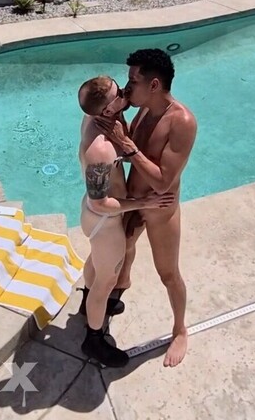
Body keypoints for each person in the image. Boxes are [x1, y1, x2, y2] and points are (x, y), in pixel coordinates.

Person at [95, 48, 197, 368]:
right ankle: (123, 283)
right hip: (136, 203)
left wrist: (128, 146)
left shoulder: (181, 122)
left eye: (132, 82)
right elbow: (130, 148)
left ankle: (180, 330)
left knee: (168, 274)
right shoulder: (144, 111)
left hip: (159, 210)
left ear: (153, 85)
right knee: (124, 247)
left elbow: (163, 182)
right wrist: (118, 110)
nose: (127, 88)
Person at [76, 75, 175, 368]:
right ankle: (93, 340)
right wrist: (144, 203)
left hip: (98, 218)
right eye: (119, 92)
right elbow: (100, 202)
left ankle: (87, 305)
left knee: (97, 262)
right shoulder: (100, 148)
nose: (125, 91)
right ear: (107, 109)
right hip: (104, 220)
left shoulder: (104, 120)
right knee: (106, 280)